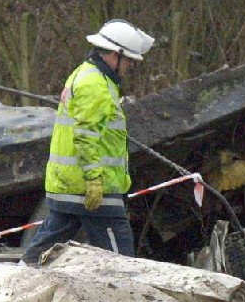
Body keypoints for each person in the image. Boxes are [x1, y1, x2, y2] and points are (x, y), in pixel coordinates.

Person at [21, 19, 155, 265]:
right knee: (122, 260)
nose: (129, 67)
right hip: (93, 190)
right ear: (115, 55)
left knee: (42, 251)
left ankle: (11, 284)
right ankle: (126, 297)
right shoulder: (95, 85)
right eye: (128, 61)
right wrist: (94, 179)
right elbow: (86, 136)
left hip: (70, 186)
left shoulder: (84, 74)